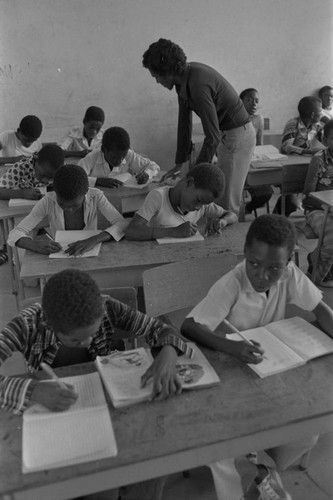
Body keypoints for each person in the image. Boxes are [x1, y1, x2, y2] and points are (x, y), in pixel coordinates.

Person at [0, 268, 192, 499]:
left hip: (107, 406)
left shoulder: (106, 307)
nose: (87, 342)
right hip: (58, 419)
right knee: (97, 484)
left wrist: (168, 352)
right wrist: (33, 391)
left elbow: (157, 327)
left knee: (152, 462)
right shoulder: (28, 324)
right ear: (49, 324)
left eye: (93, 333)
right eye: (75, 339)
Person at [181, 214, 333, 500]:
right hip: (233, 368)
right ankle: (253, 479)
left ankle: (256, 463)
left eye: (274, 268)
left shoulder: (290, 276)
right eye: (254, 263)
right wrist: (234, 348)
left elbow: (322, 310)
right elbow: (189, 326)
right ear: (245, 255)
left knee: (309, 422)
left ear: (288, 263)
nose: (262, 275)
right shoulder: (232, 283)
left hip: (271, 367)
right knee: (221, 438)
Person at [142, 38, 256, 217]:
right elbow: (184, 123)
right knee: (218, 198)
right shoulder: (182, 81)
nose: (157, 81)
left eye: (156, 76)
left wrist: (194, 176)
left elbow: (212, 136)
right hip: (226, 135)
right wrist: (180, 163)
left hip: (237, 136)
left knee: (226, 201)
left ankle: (231, 243)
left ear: (168, 72)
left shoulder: (198, 83)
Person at [7, 164, 127, 256]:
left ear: (86, 192)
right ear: (55, 192)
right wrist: (33, 244)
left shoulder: (96, 196)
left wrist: (94, 239)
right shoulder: (48, 201)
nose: (69, 209)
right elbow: (14, 234)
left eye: (74, 205)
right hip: (60, 255)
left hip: (89, 255)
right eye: (62, 204)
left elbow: (122, 223)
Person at [125, 163, 237, 240]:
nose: (198, 207)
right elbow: (132, 231)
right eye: (198, 200)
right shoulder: (158, 197)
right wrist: (173, 231)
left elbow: (232, 215)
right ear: (189, 183)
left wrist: (222, 222)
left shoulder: (203, 205)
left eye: (203, 204)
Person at [0, 144, 64, 265]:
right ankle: (9, 251)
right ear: (35, 161)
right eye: (43, 175)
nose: (45, 180)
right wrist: (22, 193)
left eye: (50, 178)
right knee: (20, 255)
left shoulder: (59, 171)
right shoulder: (21, 167)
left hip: (47, 213)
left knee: (59, 247)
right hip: (24, 215)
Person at [273, 96, 324, 216]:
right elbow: (287, 147)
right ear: (312, 114)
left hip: (307, 165)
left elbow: (324, 145)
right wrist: (309, 152)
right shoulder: (293, 123)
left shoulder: (318, 126)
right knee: (291, 198)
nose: (322, 114)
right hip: (290, 166)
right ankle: (279, 215)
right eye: (320, 111)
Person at [303, 119, 333, 287]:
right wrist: (326, 205)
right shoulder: (318, 160)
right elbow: (308, 194)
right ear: (326, 140)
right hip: (316, 210)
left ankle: (316, 257)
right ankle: (318, 276)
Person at [78, 126, 160, 188]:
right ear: (103, 149)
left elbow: (153, 166)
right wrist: (98, 181)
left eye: (123, 156)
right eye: (114, 157)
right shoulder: (92, 157)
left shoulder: (129, 154)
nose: (119, 160)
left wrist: (147, 174)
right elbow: (75, 178)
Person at [240, 88, 273, 215]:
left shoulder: (259, 119)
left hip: (254, 163)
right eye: (249, 100)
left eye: (256, 101)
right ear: (240, 101)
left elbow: (260, 145)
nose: (254, 103)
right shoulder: (232, 118)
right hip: (238, 164)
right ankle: (243, 210)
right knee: (264, 192)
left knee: (266, 192)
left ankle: (246, 209)